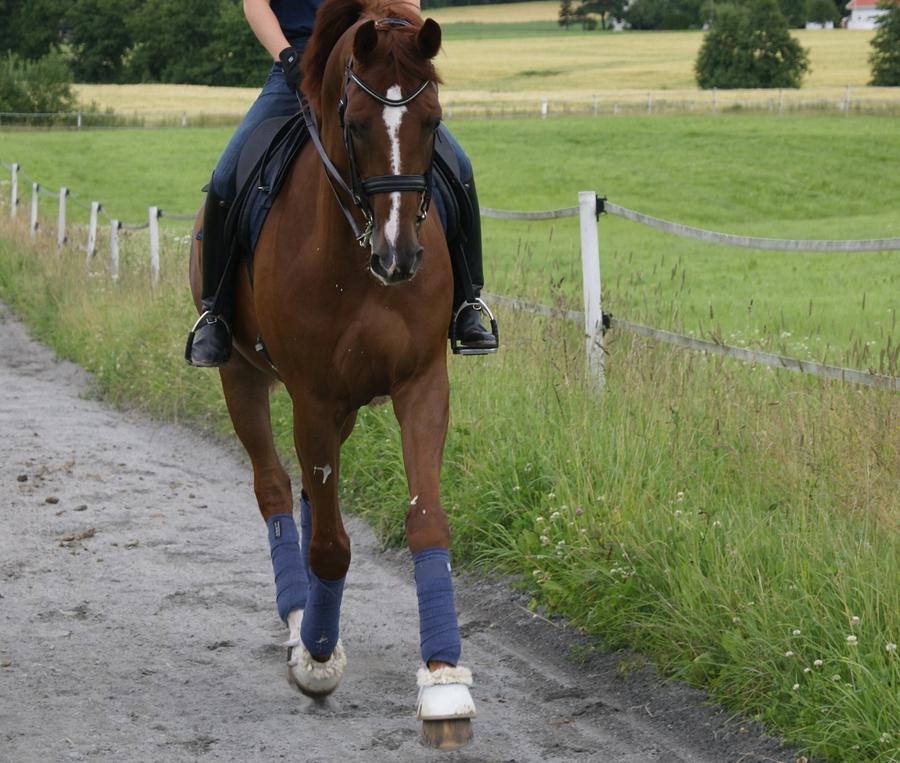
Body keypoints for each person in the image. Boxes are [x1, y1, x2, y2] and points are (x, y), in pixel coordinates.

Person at [186, 0, 497, 367]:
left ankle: (467, 303)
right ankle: (216, 314)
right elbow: (256, 5)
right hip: (299, 66)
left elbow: (408, 3)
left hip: (374, 62)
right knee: (226, 177)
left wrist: (394, 37)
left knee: (460, 168)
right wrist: (286, 55)